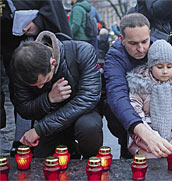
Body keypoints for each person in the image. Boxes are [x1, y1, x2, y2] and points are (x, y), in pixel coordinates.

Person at [104, 13, 172, 158]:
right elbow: (117, 96)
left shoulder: (159, 48)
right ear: (122, 39)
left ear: (149, 35)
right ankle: (127, 151)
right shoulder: (114, 57)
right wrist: (142, 130)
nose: (141, 49)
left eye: (144, 41)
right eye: (133, 43)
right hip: (132, 109)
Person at [10, 31, 102, 158]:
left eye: (44, 81)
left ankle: (90, 161)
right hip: (49, 119)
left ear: (52, 63)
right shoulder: (20, 67)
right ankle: (71, 149)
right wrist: (48, 99)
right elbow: (24, 109)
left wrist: (40, 129)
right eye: (35, 86)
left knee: (88, 126)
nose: (40, 87)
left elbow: (88, 98)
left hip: (82, 115)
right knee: (43, 164)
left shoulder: (83, 51)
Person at [1, 0, 72, 156]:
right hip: (12, 46)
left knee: (50, 88)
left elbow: (51, 7)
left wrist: (38, 22)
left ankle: (58, 137)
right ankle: (23, 139)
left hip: (39, 44)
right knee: (22, 93)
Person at [126, 40, 172, 158]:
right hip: (145, 144)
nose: (165, 71)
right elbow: (136, 117)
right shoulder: (140, 88)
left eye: (169, 66)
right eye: (159, 66)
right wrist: (152, 141)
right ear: (151, 67)